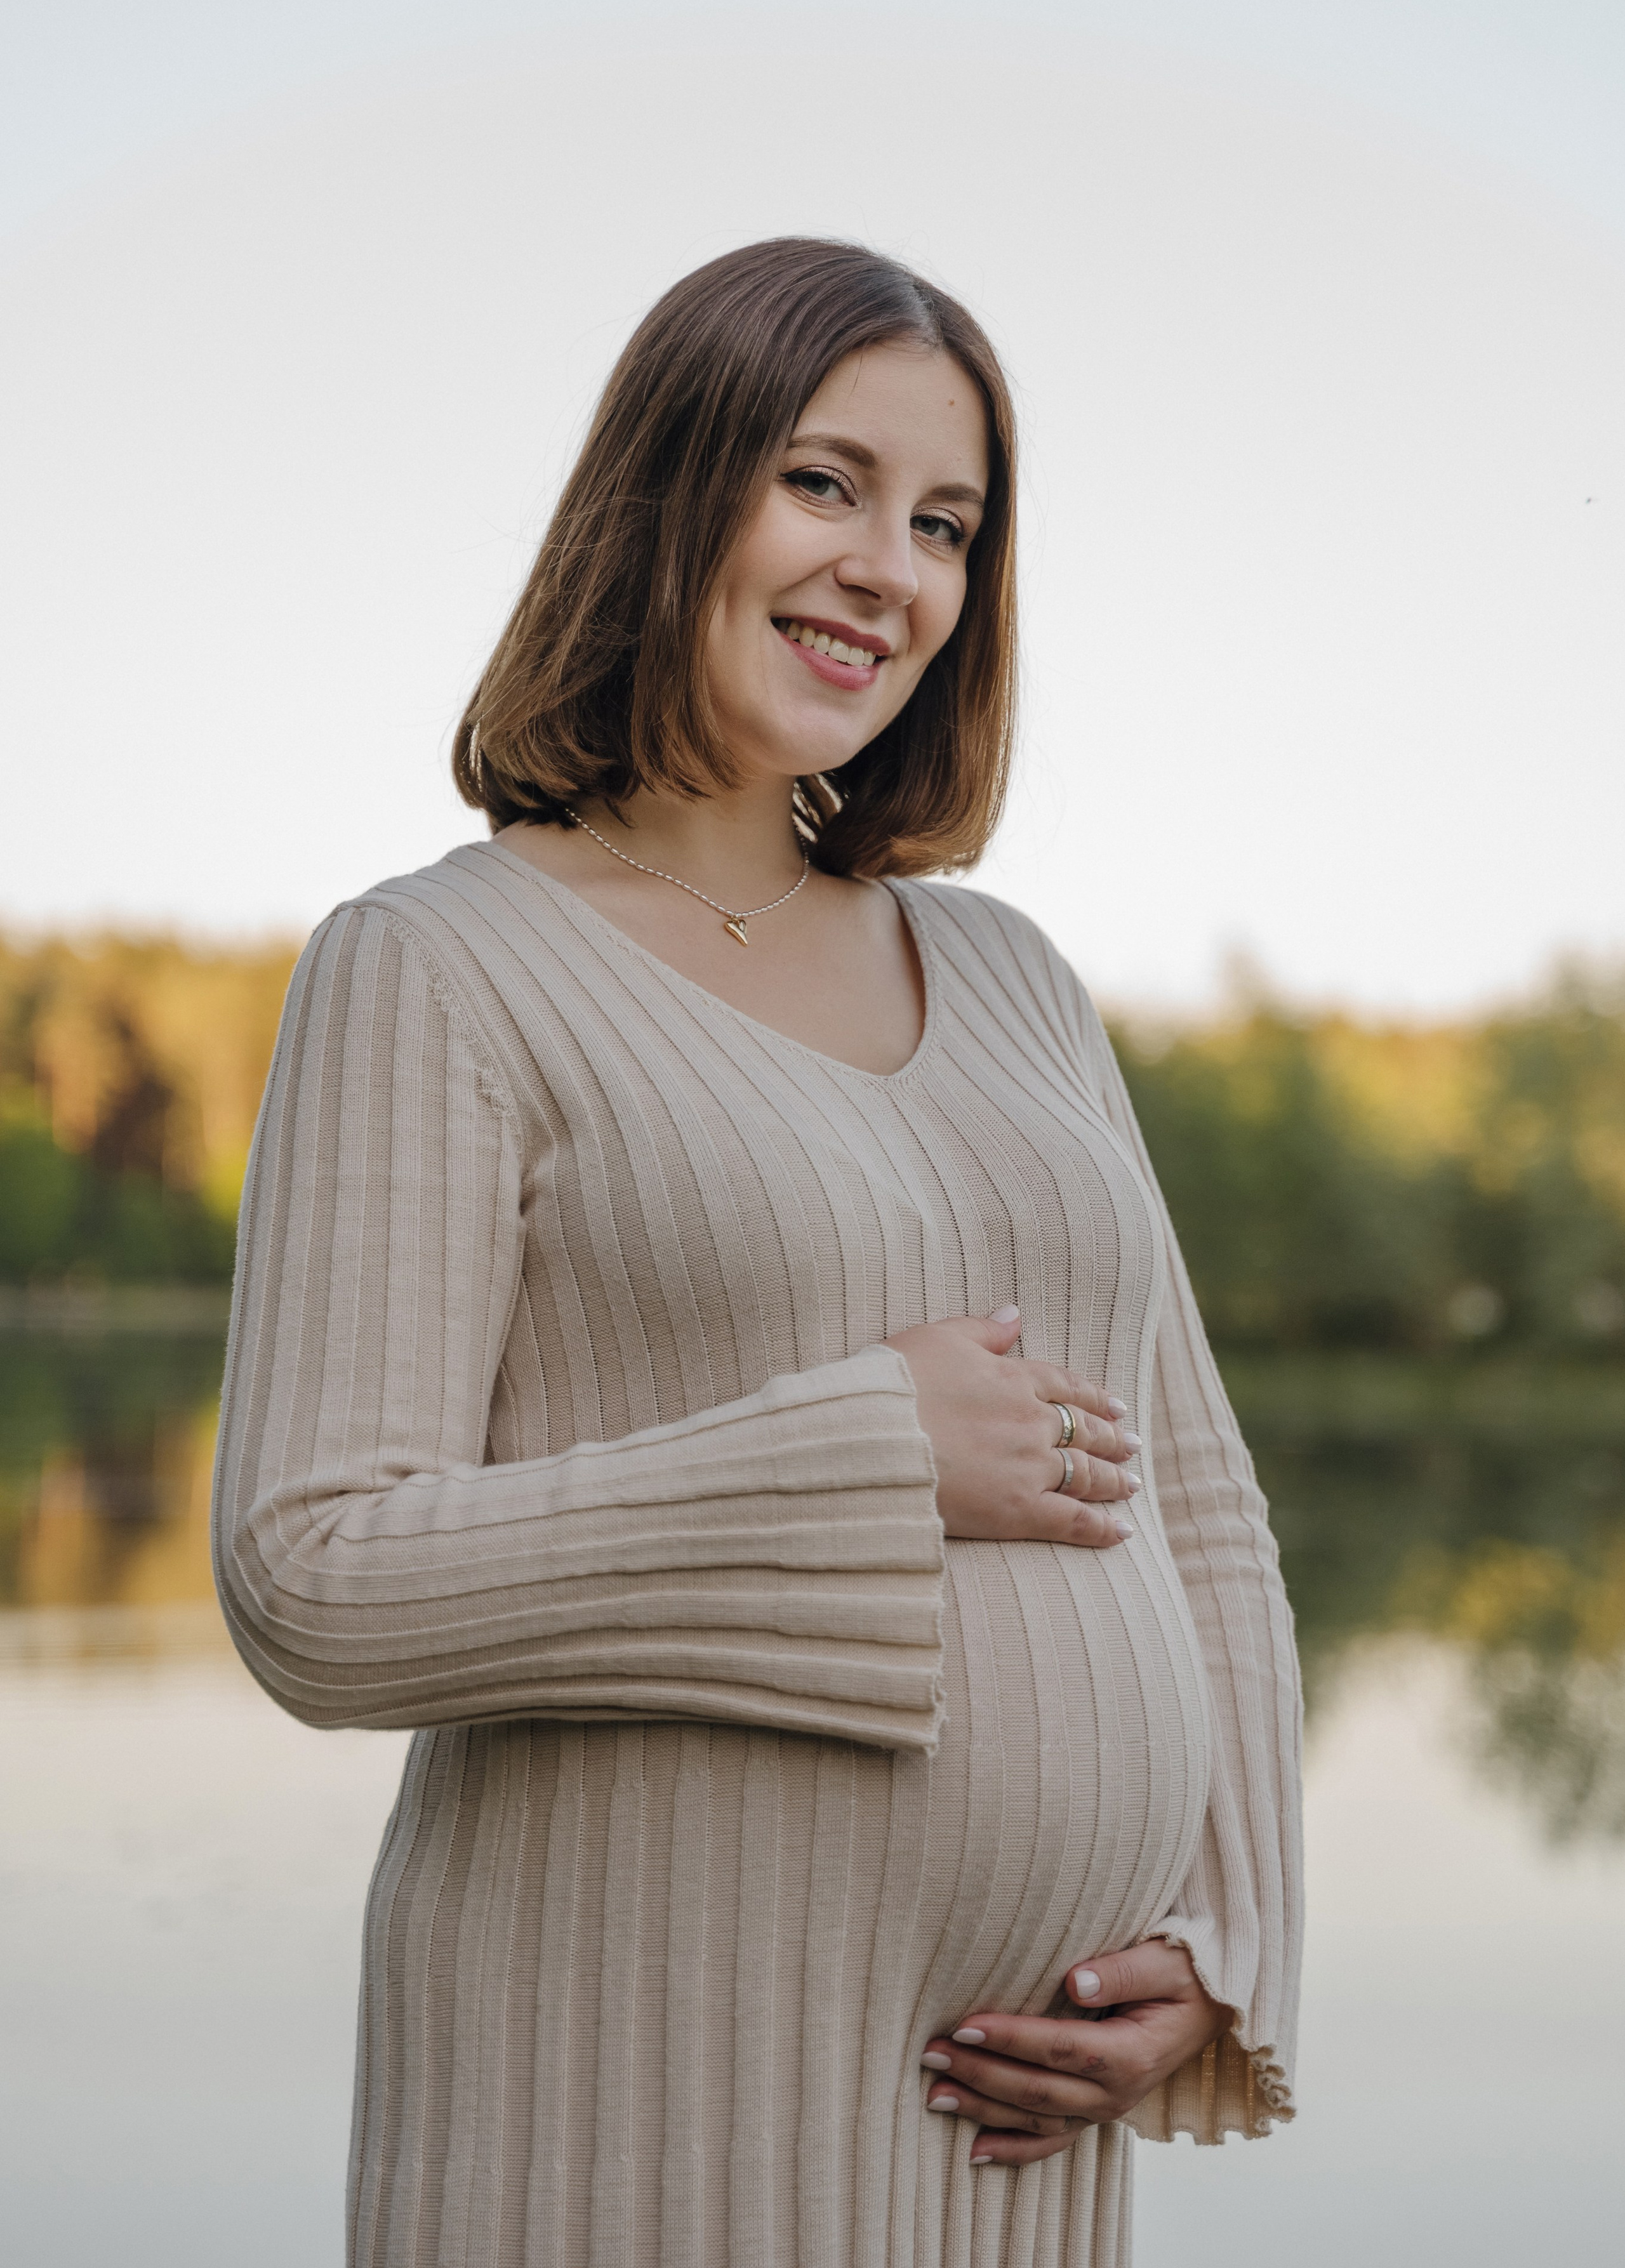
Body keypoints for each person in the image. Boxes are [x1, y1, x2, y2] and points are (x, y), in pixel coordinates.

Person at [213, 237, 1302, 2268]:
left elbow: (1200, 1507)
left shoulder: (1013, 978)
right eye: (824, 483)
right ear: (669, 492)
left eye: (946, 524)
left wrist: (1224, 1943)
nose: (890, 570)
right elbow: (314, 1580)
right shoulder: (436, 966)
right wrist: (869, 1454)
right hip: (629, 2114)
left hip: (1018, 2146)